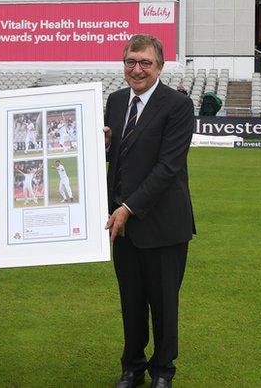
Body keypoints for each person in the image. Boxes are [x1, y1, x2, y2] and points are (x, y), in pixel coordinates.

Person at [103, 34, 195, 388]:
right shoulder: (113, 101)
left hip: (163, 225)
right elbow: (118, 161)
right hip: (122, 226)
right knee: (131, 301)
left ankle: (163, 370)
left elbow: (167, 168)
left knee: (163, 303)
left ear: (160, 66)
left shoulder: (177, 105)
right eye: (130, 61)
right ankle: (132, 366)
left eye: (145, 62)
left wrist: (127, 208)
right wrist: (104, 147)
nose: (137, 69)